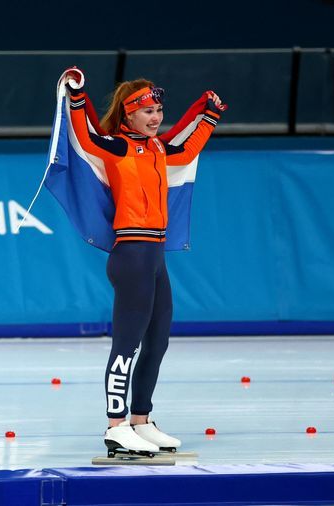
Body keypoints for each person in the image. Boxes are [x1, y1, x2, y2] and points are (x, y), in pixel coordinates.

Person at [62, 72, 225, 457]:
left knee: (158, 340)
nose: (156, 117)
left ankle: (141, 418)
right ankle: (115, 425)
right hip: (131, 254)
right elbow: (85, 137)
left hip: (154, 255)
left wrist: (210, 116)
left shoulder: (157, 149)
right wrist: (78, 96)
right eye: (148, 112)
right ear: (129, 115)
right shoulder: (117, 147)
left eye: (159, 110)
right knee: (127, 345)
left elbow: (186, 152)